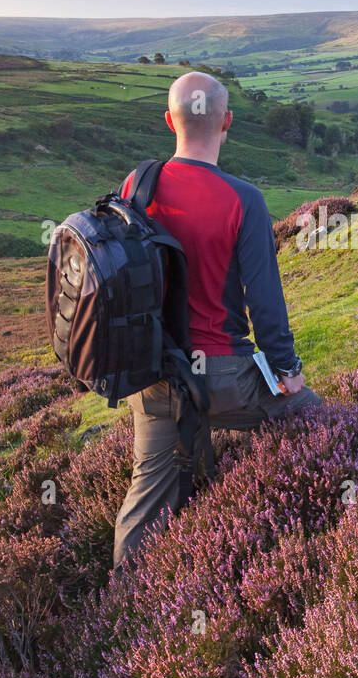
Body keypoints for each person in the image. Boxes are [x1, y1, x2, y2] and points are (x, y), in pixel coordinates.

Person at [113, 71, 320, 568]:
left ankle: (120, 609)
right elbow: (265, 302)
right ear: (227, 121)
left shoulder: (137, 185)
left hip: (155, 372)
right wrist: (288, 372)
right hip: (223, 375)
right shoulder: (242, 198)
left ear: (169, 121)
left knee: (146, 497)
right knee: (320, 422)